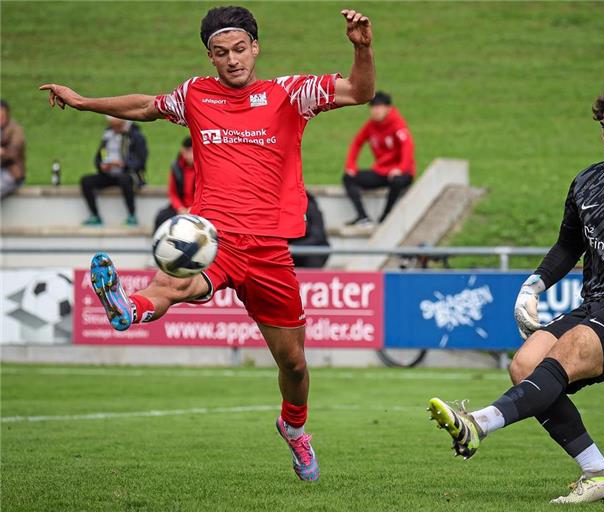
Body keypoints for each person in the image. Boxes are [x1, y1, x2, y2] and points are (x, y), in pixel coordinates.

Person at [40, 5, 374, 482]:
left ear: (255, 48)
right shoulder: (195, 94)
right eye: (221, 53)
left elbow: (360, 92)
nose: (233, 59)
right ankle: (127, 308)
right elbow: (145, 107)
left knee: (295, 364)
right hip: (211, 236)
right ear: (210, 57)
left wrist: (361, 48)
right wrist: (84, 101)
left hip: (269, 248)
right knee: (177, 286)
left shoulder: (290, 93)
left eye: (240, 49)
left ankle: (294, 428)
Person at [427, 82, 604, 504]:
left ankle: (478, 424)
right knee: (524, 364)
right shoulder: (587, 183)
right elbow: (568, 246)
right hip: (594, 304)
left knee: (568, 349)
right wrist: (533, 285)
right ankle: (598, 472)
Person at [343, 90, 415, 225]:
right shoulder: (371, 126)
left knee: (397, 181)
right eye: (373, 107)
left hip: (401, 173)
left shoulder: (397, 123)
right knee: (348, 178)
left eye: (379, 107)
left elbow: (408, 146)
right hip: (382, 171)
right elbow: (357, 142)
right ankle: (363, 217)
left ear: (388, 108)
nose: (375, 111)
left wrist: (401, 168)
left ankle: (386, 217)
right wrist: (350, 165)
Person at [80, 116, 148, 226]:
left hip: (128, 174)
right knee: (86, 181)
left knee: (124, 180)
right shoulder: (107, 135)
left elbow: (141, 160)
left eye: (117, 125)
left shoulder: (136, 136)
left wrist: (124, 164)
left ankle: (132, 215)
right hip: (109, 173)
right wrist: (101, 165)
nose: (114, 128)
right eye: (112, 125)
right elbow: (98, 157)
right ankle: (95, 216)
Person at [154, 137, 195, 231]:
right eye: (187, 151)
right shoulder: (176, 167)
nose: (189, 155)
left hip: (197, 208)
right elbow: (172, 193)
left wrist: (192, 209)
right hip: (180, 208)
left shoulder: (203, 169)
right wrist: (180, 208)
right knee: (161, 217)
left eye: (191, 151)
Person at [289, 192, 330, 268]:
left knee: (313, 257)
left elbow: (317, 237)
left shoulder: (311, 208)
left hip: (313, 249)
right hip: (290, 249)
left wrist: (293, 246)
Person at [0, 99, 26, 200]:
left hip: (12, 172)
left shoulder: (16, 130)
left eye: (2, 116)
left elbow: (14, 152)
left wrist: (2, 152)